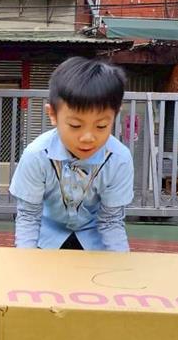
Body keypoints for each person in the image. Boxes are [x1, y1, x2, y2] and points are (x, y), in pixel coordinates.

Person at [9, 57, 134, 252]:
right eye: (75, 125)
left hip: (94, 241)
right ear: (52, 114)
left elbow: (111, 221)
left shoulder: (119, 159)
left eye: (101, 126)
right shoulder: (37, 155)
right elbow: (29, 216)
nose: (87, 138)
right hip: (46, 238)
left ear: (115, 115)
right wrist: (26, 260)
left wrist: (121, 264)